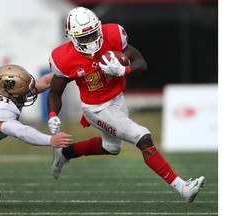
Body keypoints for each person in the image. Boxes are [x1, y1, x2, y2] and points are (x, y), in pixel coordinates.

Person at [45, 7, 206, 203]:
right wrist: (53, 114)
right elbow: (55, 91)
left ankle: (65, 152)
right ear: (71, 37)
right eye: (84, 37)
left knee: (111, 147)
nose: (90, 40)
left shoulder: (113, 35)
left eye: (93, 34)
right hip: (96, 108)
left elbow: (141, 63)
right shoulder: (64, 57)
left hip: (117, 99)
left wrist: (124, 70)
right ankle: (183, 187)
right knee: (143, 137)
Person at [0, 64, 73, 206]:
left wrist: (76, 72)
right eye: (22, 93)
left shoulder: (1, 88)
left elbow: (46, 81)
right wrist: (50, 140)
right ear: (6, 93)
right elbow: (20, 131)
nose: (27, 95)